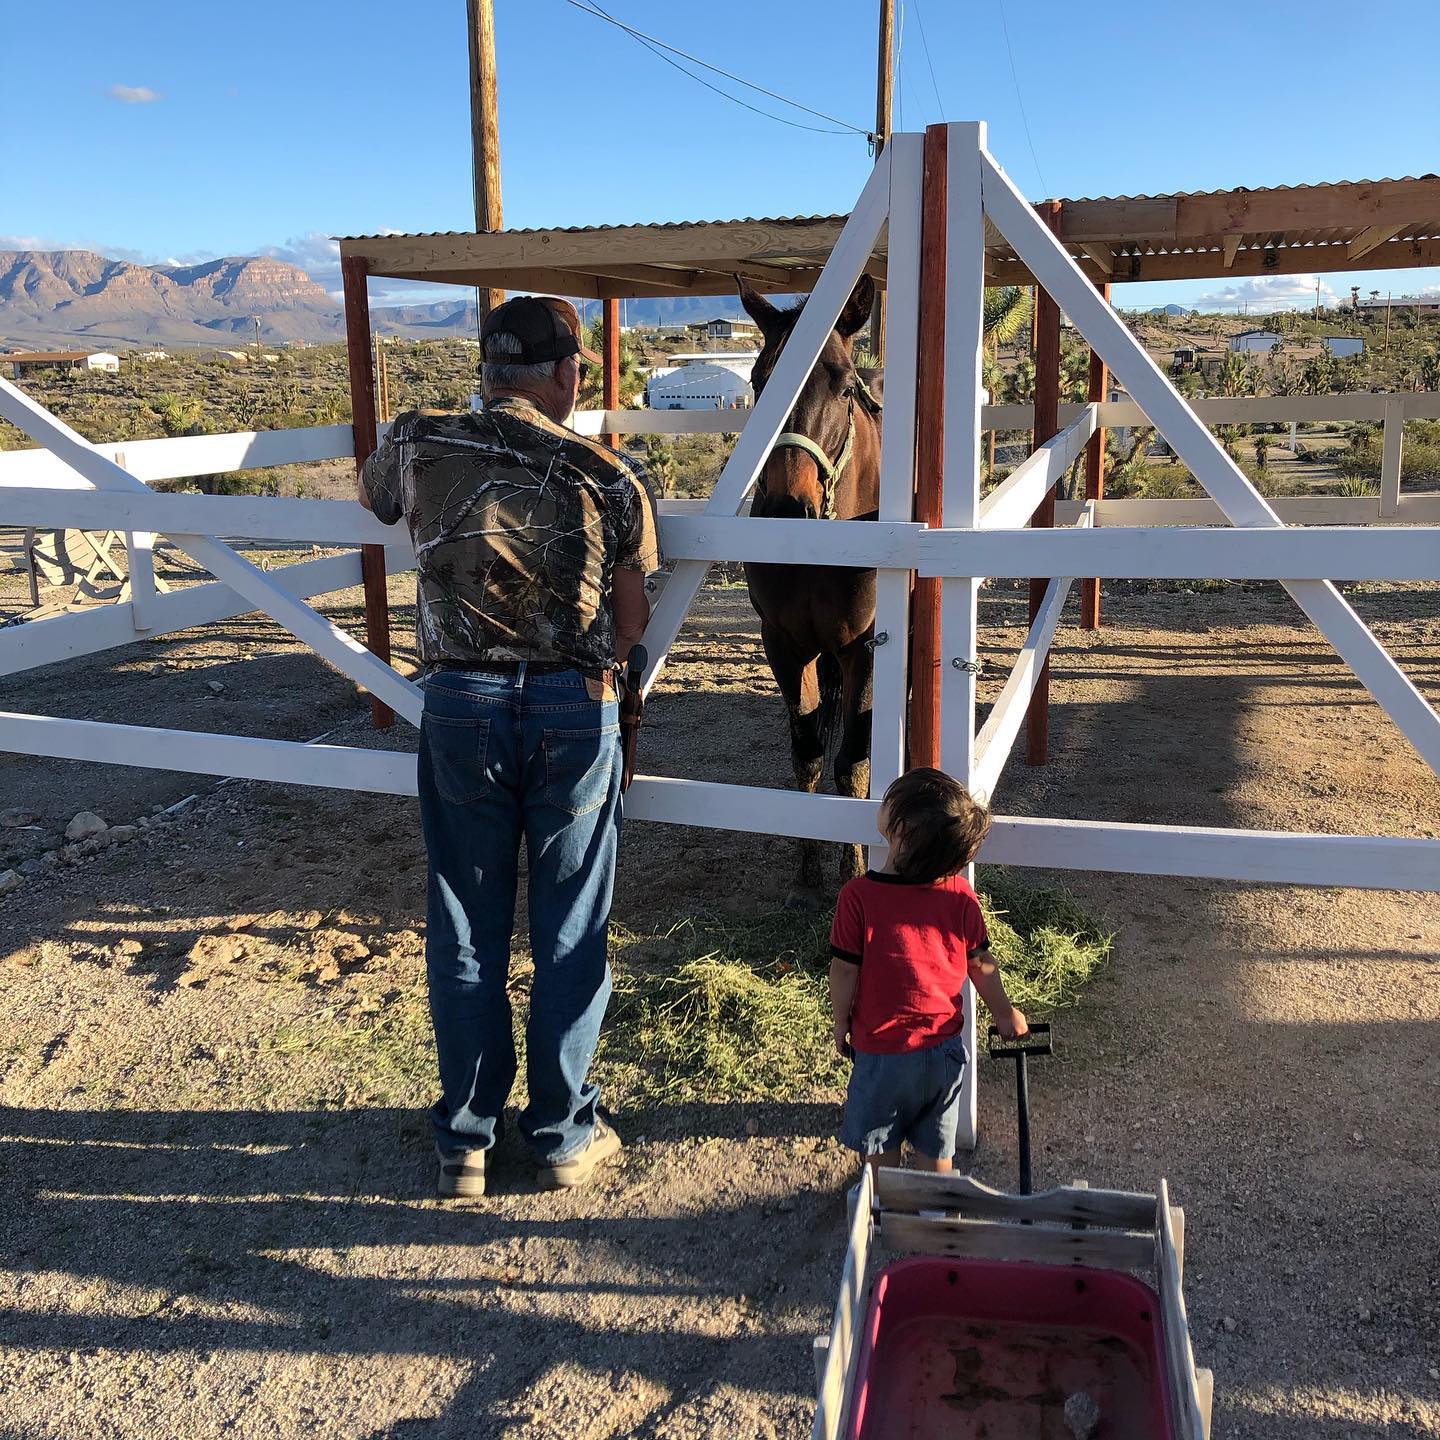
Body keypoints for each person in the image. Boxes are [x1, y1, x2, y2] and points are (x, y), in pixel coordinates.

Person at [359, 295, 660, 1199]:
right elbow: (632, 619)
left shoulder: (417, 440)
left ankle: (465, 1138)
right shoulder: (608, 473)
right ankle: (564, 1132)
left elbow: (375, 500)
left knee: (464, 921)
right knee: (570, 926)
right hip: (572, 706)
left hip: (459, 703)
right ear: (566, 373)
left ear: (488, 372)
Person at [829, 768, 1028, 1179]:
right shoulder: (960, 895)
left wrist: (840, 1021)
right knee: (936, 1148)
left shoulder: (858, 897)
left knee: (880, 1148)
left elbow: (845, 970)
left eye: (888, 800)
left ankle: (882, 1208)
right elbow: (981, 963)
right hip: (942, 1051)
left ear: (898, 828)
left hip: (882, 1051)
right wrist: (1005, 1013)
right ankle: (938, 1209)